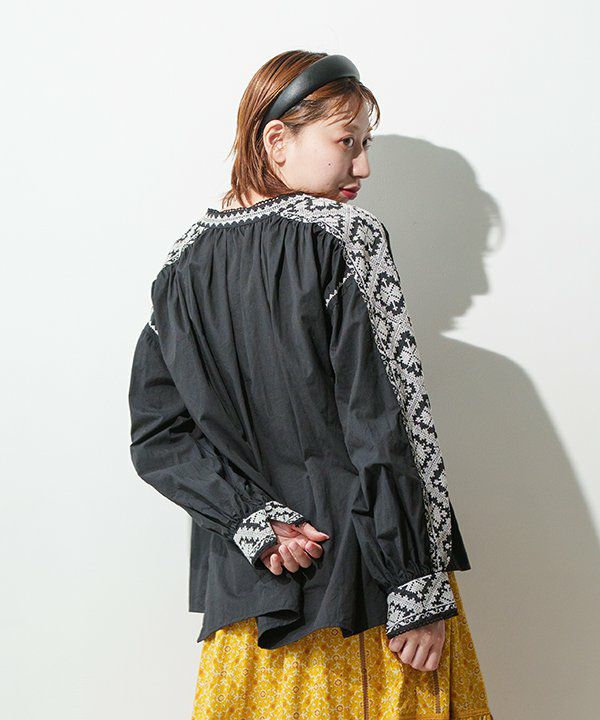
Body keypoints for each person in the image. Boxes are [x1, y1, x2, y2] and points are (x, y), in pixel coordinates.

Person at [128, 50, 494, 719]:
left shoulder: (180, 265)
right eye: (346, 142)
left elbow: (158, 437)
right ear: (277, 140)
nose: (363, 167)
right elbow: (386, 420)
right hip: (370, 591)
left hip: (252, 599)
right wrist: (416, 583)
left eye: (365, 144)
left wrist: (254, 523)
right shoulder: (347, 237)